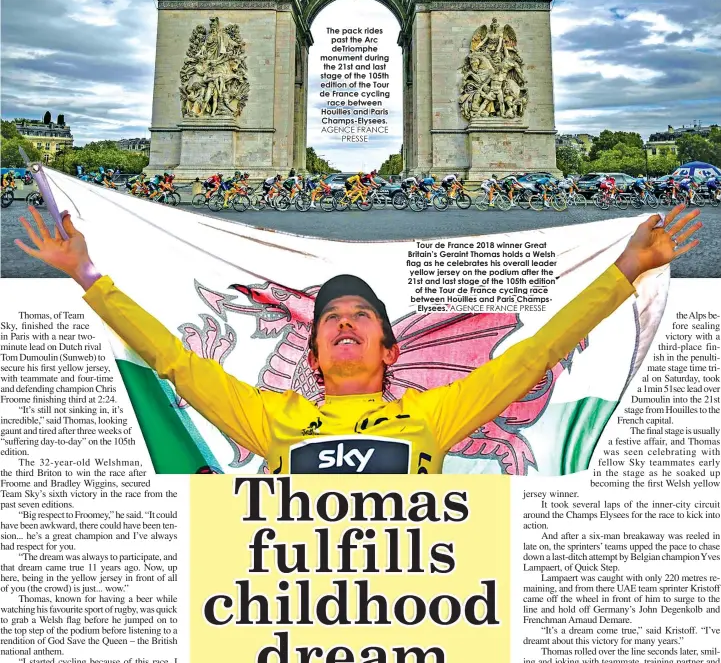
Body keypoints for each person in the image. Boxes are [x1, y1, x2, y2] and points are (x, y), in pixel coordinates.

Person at [16, 205, 701, 475]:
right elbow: (172, 361)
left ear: (391, 347)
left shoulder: (438, 412)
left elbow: (536, 353)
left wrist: (625, 270)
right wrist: (85, 273)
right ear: (309, 354)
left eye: (360, 316)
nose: (344, 321)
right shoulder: (267, 417)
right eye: (330, 317)